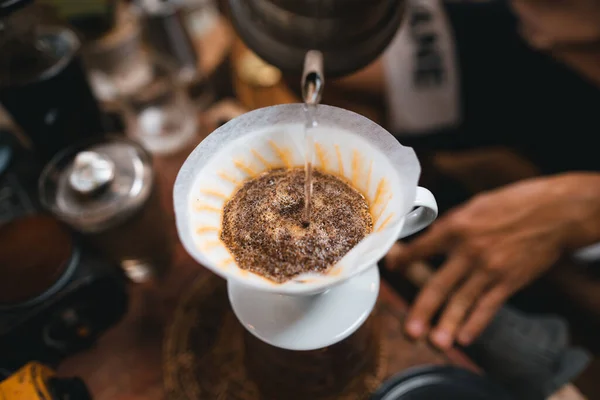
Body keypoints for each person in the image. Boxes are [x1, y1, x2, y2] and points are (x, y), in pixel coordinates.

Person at [331, 0, 600, 351]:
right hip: (543, 39)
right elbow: (334, 58)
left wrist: (585, 205)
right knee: (341, 60)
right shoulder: (533, 21)